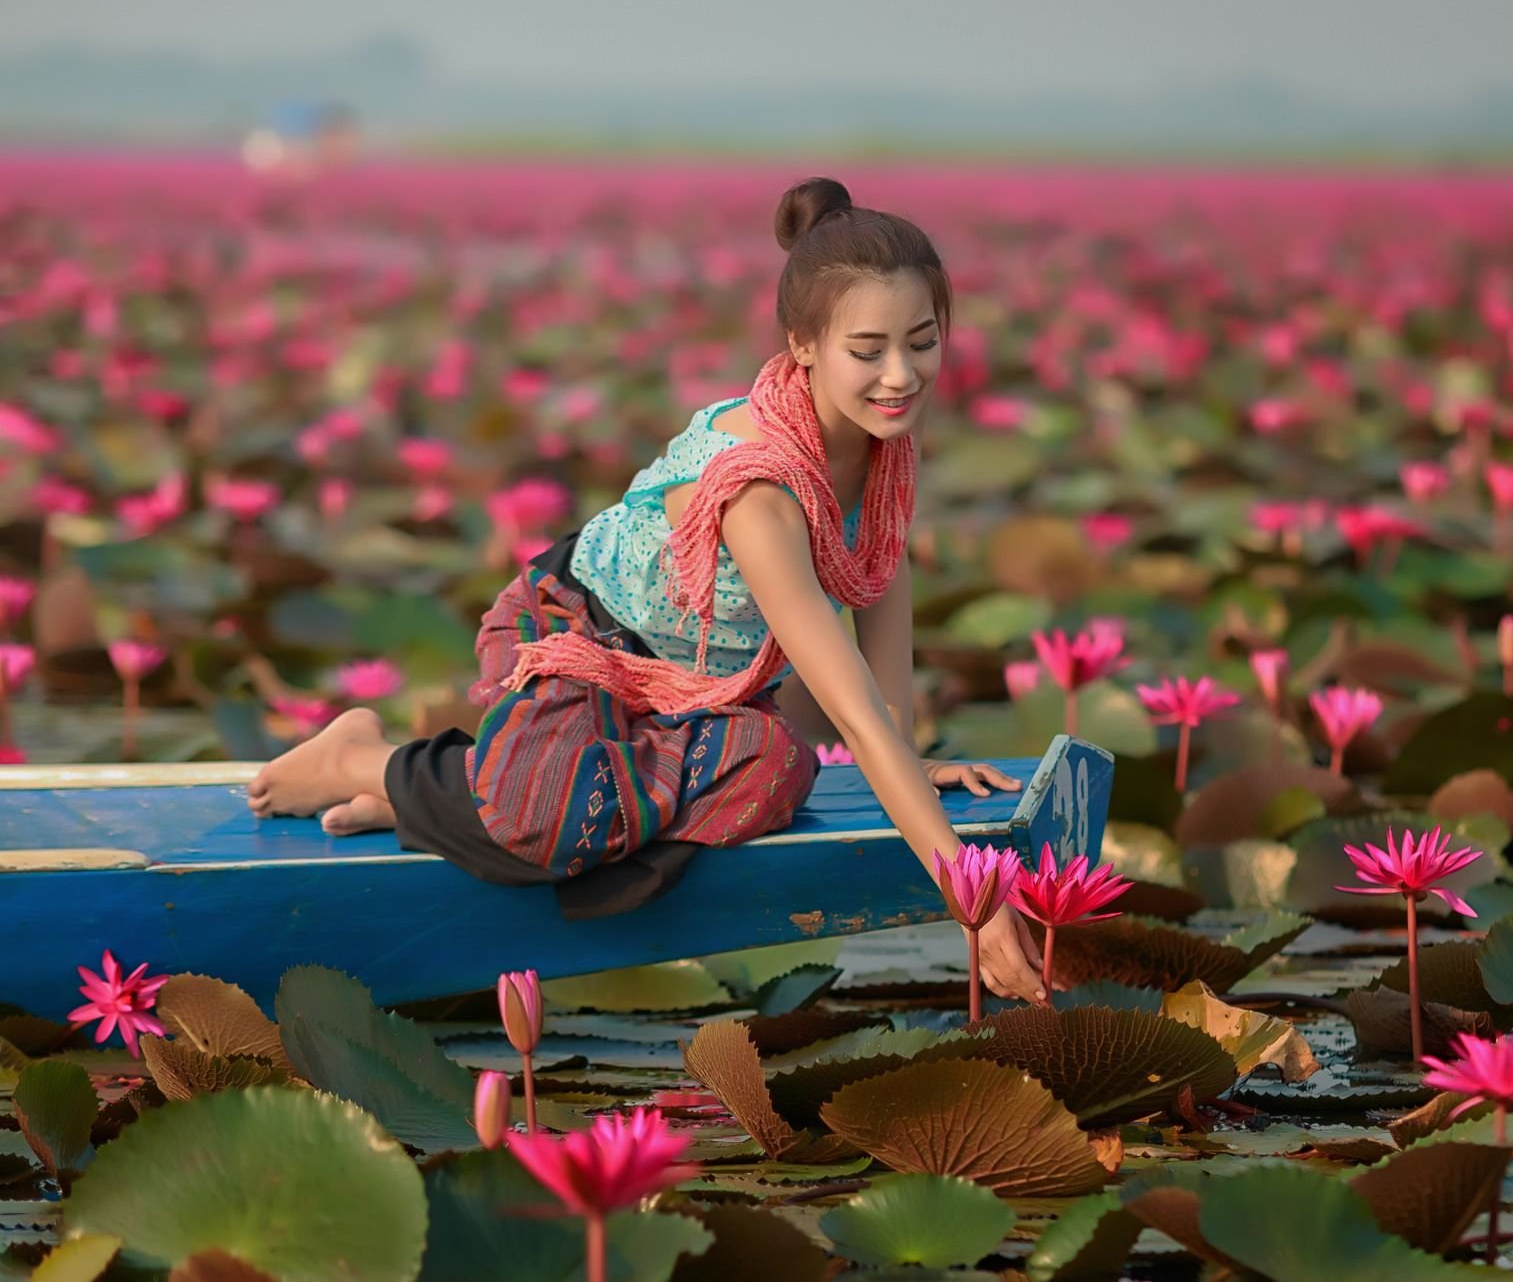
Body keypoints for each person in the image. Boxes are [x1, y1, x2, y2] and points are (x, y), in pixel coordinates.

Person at [245, 176, 1050, 1005]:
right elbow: (849, 708)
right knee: (559, 814)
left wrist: (910, 759)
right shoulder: (761, 491)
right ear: (802, 343)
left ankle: (454, 811)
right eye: (868, 350)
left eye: (922, 342)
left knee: (776, 772)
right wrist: (972, 894)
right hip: (575, 640)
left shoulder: (884, 450)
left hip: (695, 692)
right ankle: (366, 760)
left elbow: (879, 576)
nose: (900, 375)